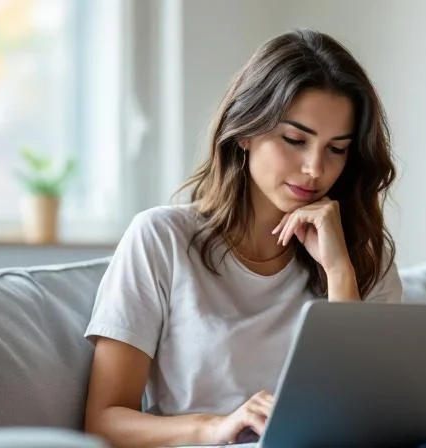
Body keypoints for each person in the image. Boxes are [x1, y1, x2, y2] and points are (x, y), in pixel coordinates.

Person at [83, 29, 402, 448]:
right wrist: (214, 426)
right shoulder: (161, 239)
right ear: (246, 132)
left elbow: (367, 417)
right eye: (295, 140)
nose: (314, 168)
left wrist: (339, 273)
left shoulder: (360, 254)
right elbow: (104, 422)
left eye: (336, 149)